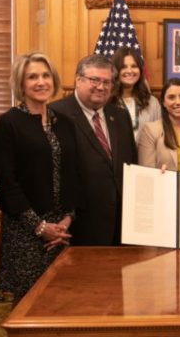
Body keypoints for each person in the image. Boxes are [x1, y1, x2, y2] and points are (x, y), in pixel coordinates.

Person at [0, 53, 78, 303]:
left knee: (61, 304)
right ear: (21, 84)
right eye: (32, 77)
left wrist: (66, 220)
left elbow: (73, 174)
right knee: (30, 307)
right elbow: (7, 184)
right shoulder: (8, 124)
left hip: (62, 231)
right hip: (26, 232)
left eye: (45, 75)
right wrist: (40, 228)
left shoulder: (63, 123)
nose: (41, 82)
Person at [50, 54, 137, 245]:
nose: (101, 87)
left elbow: (132, 164)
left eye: (107, 82)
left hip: (121, 226)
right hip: (78, 225)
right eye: (94, 80)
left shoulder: (120, 116)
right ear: (78, 80)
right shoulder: (55, 115)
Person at [110, 46, 160, 140]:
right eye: (124, 67)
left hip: (146, 154)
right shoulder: (107, 102)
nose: (130, 71)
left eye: (134, 66)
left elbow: (159, 136)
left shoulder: (152, 102)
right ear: (115, 71)